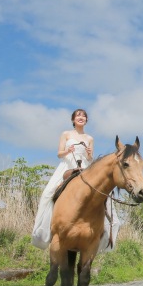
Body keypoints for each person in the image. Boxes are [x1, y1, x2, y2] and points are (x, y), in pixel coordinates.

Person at [31, 108, 120, 252]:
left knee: (105, 196)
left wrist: (90, 155)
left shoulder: (90, 138)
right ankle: (43, 231)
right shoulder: (66, 134)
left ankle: (107, 232)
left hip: (85, 167)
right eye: (78, 115)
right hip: (67, 166)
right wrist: (68, 151)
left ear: (86, 120)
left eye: (84, 116)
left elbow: (90, 159)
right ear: (73, 120)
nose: (81, 117)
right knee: (47, 193)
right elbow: (59, 154)